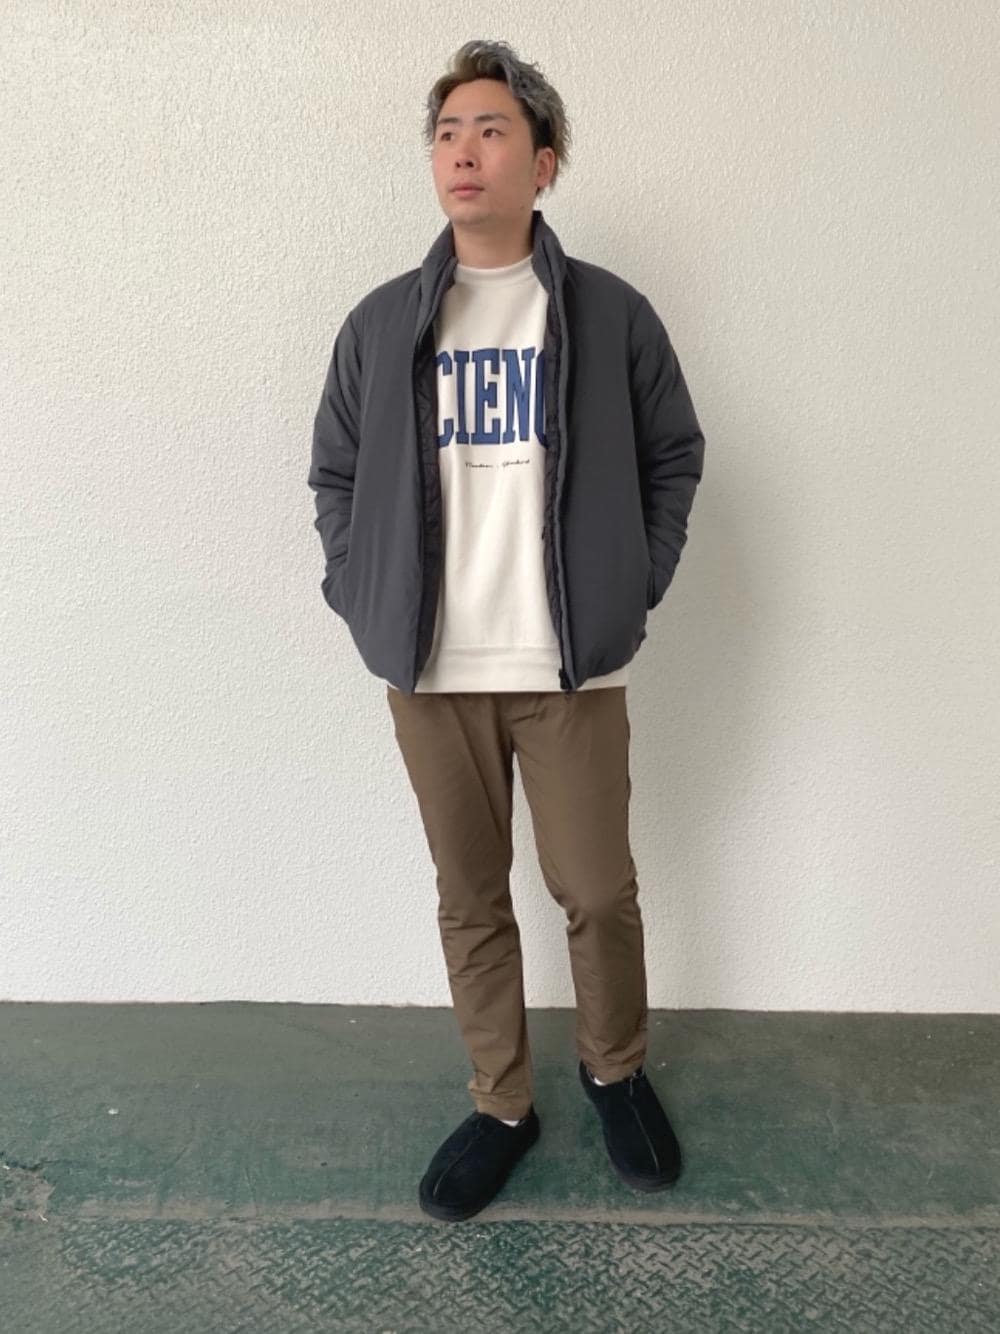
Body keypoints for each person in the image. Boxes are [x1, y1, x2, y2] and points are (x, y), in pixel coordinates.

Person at [308, 39, 706, 1223]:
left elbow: (673, 454)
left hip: (569, 664)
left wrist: (632, 584)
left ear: (543, 162)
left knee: (596, 889)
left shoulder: (609, 314)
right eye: (446, 132)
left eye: (489, 129)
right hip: (430, 670)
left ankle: (614, 1072)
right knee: (470, 894)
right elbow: (335, 472)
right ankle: (501, 1102)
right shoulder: (383, 322)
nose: (462, 150)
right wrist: (358, 588)